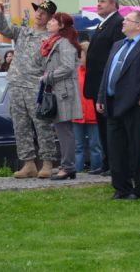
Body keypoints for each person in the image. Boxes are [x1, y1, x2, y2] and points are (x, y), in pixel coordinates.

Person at [96, 11, 140, 200]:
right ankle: (121, 188)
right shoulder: (118, 45)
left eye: (127, 20)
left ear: (139, 25)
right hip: (112, 103)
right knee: (116, 148)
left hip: (135, 105)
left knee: (138, 148)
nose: (123, 22)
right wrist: (101, 97)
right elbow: (107, 73)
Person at [0, 0, 57, 179]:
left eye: (43, 13)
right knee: (20, 126)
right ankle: (28, 163)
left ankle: (47, 162)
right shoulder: (23, 31)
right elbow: (3, 29)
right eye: (37, 11)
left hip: (36, 87)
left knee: (42, 125)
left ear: (50, 17)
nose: (38, 14)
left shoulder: (50, 38)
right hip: (16, 84)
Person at [84, 0, 124, 176]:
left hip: (107, 84)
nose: (98, 4)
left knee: (109, 125)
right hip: (97, 83)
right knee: (102, 125)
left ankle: (115, 163)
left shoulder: (117, 23)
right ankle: (107, 162)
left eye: (103, 1)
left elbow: (115, 55)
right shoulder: (102, 24)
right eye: (98, 1)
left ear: (114, 5)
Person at [40, 12, 83, 180]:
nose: (49, 22)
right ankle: (67, 165)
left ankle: (68, 166)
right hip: (59, 90)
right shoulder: (56, 42)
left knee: (64, 131)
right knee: (62, 130)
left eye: (53, 20)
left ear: (61, 25)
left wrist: (47, 77)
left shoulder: (64, 43)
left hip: (64, 92)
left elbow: (67, 67)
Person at [73, 41, 102, 173]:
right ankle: (78, 171)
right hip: (77, 114)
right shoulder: (75, 72)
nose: (79, 58)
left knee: (95, 145)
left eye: (81, 55)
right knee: (78, 146)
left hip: (93, 114)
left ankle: (96, 169)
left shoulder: (95, 72)